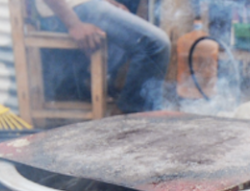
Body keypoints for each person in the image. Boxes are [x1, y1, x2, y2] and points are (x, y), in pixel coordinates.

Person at [37, 0, 171, 113]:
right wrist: (74, 24)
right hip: (68, 11)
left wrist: (109, 3)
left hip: (83, 6)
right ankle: (129, 118)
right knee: (155, 44)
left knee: (141, 38)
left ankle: (131, 112)